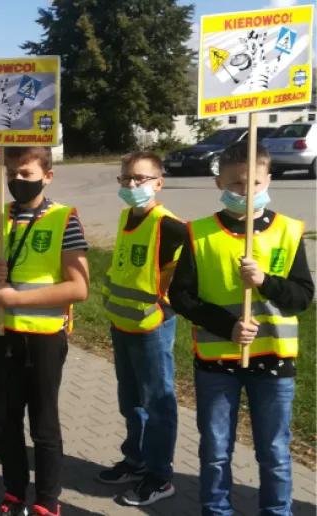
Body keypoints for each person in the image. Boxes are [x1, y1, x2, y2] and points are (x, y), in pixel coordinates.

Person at [169, 142, 313, 516]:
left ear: (269, 180)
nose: (246, 191)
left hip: (274, 361)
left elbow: (301, 298)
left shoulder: (290, 230)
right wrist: (228, 325)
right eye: (235, 184)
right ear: (218, 182)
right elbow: (180, 296)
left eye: (254, 182)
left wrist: (266, 281)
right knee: (216, 450)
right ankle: (216, 510)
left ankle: (277, 511)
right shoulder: (199, 233)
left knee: (275, 452)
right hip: (218, 361)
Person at [0, 147, 90, 516]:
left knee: (43, 423)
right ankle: (13, 494)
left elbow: (78, 288)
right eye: (10, 174)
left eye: (25, 173)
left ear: (47, 176)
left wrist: (17, 300)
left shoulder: (63, 218)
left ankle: (47, 501)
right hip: (1, 334)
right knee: (6, 420)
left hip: (43, 338)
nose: (16, 181)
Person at [96, 152, 187, 506]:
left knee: (158, 403)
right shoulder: (125, 217)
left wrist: (165, 307)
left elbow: (188, 271)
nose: (132, 185)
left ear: (158, 183)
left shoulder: (168, 225)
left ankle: (160, 475)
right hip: (122, 323)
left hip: (151, 328)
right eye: (126, 179)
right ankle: (135, 459)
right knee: (131, 401)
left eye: (141, 179)